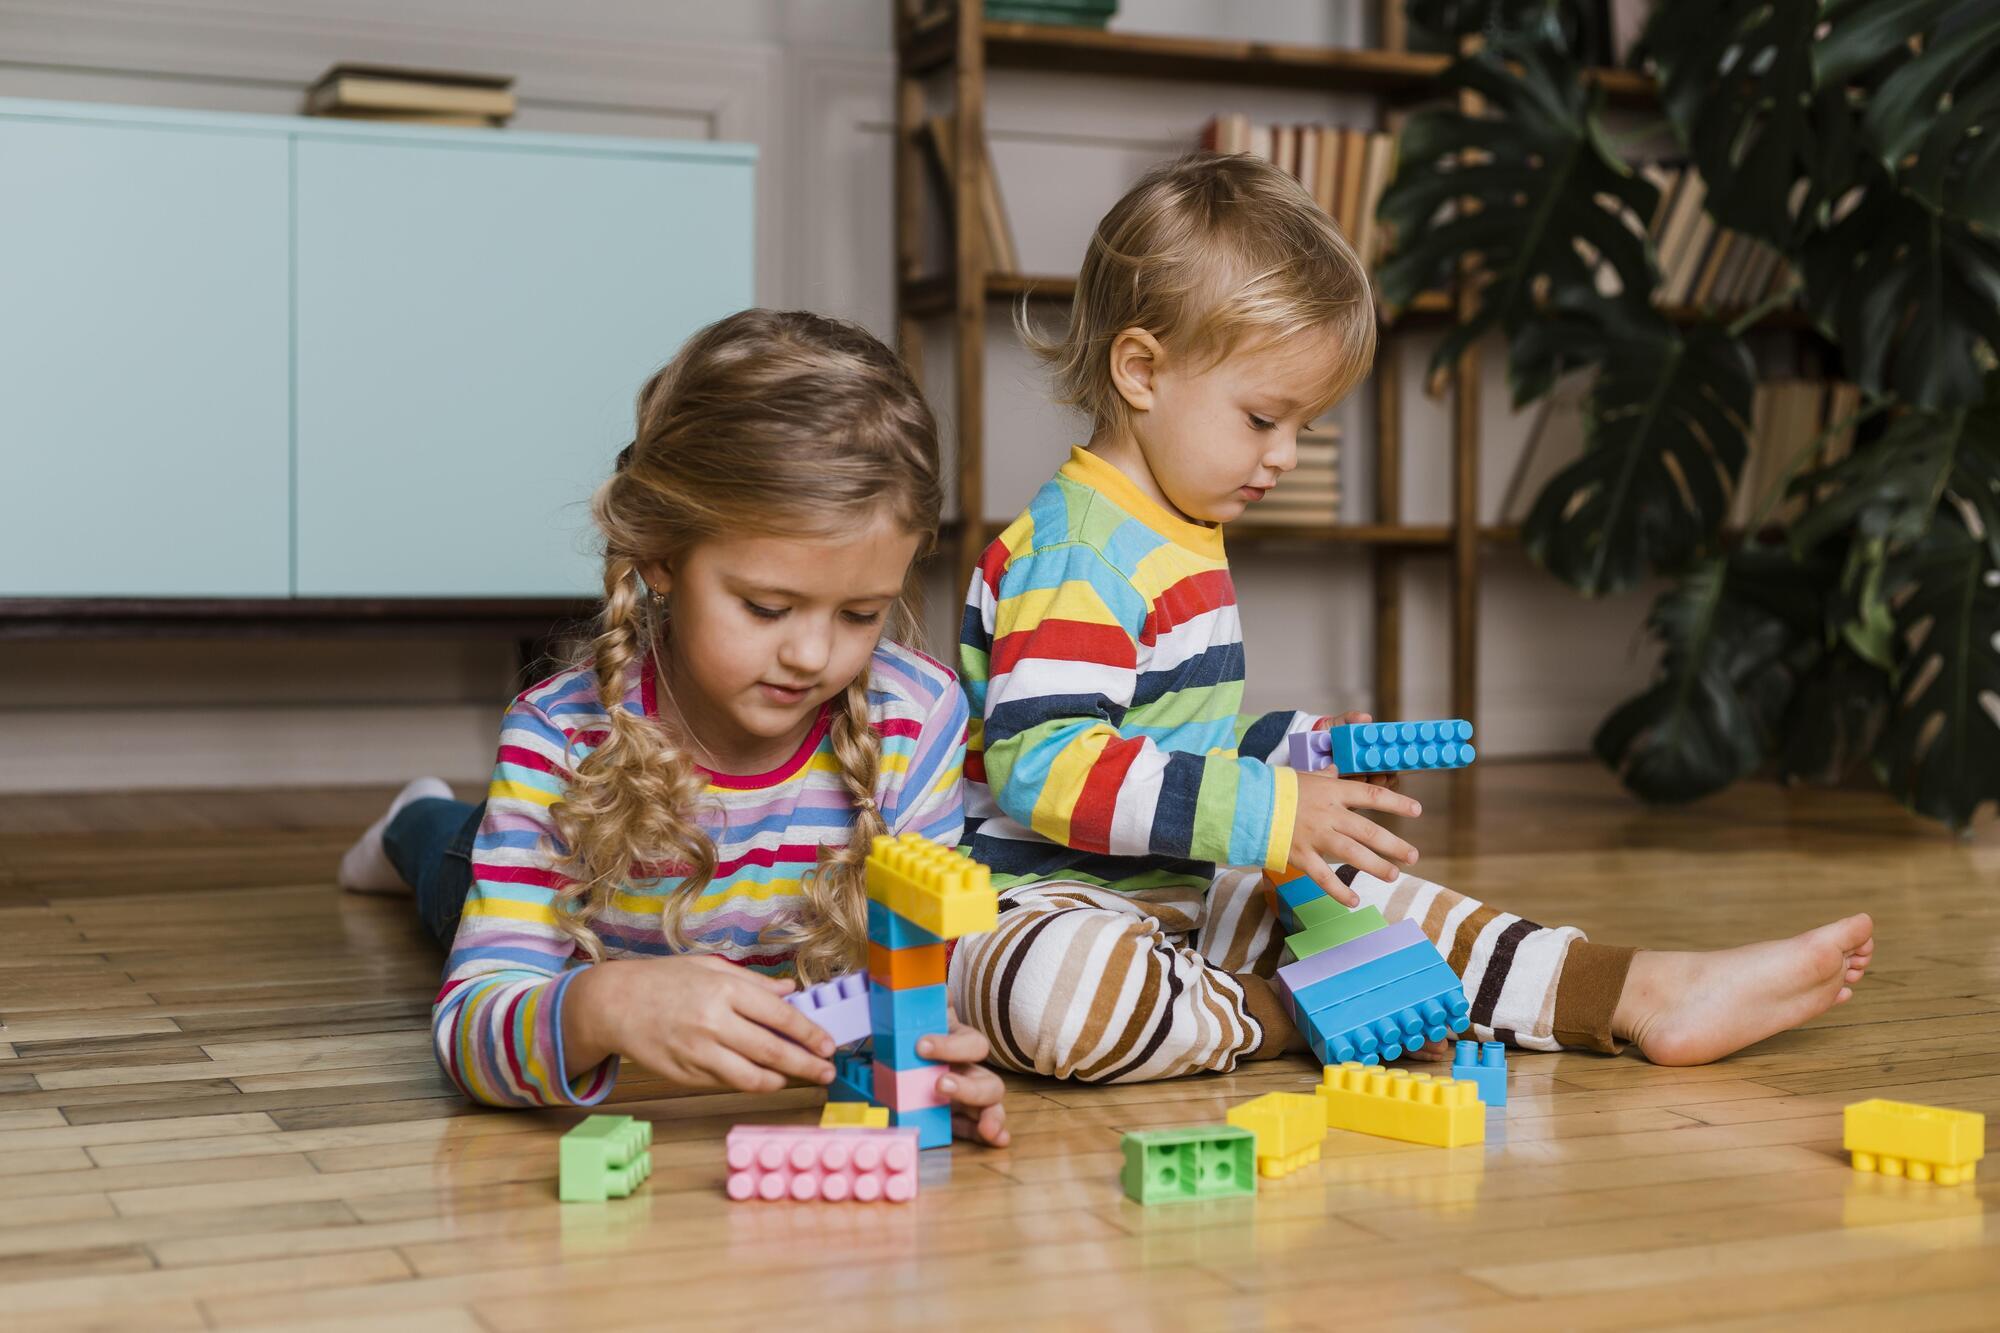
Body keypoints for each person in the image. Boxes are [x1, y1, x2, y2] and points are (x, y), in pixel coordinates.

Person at [949, 154, 1874, 1083]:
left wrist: (1298, 752)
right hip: (1049, 900)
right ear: (1142, 370)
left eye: (1302, 427)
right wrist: (1268, 810)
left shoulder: (1179, 531)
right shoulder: (1079, 552)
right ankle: (1283, 1011)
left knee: (1381, 896)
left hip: (1179, 892)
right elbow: (1045, 763)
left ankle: (1632, 989)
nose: (1285, 457)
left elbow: (1162, 738)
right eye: (1264, 418)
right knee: (1057, 993)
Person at [339, 309, 1008, 1143]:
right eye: (767, 606)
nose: (810, 654)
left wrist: (933, 1051)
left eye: (860, 613)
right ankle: (410, 820)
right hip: (568, 923)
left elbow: (919, 975)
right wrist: (604, 1003)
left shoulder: (925, 717)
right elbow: (475, 1023)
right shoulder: (559, 738)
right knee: (448, 859)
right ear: (659, 553)